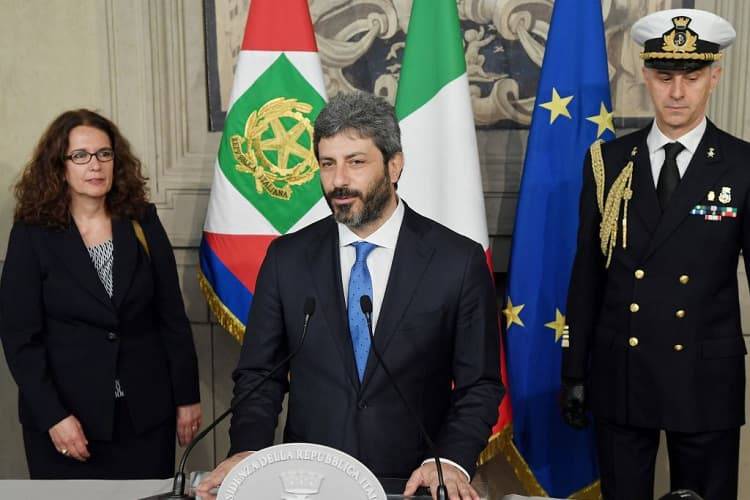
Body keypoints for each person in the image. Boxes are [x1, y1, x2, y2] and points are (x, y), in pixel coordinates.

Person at [197, 92, 502, 500]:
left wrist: (449, 461)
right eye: (327, 163)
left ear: (394, 165)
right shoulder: (287, 258)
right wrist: (247, 450)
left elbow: (479, 384)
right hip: (307, 484)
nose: (338, 180)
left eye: (355, 162)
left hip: (414, 483)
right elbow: (259, 376)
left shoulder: (457, 261)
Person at [560, 9, 745, 500]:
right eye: (664, 77)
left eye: (692, 77)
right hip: (623, 371)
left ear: (715, 77)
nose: (677, 92)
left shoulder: (742, 165)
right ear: (645, 76)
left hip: (706, 377)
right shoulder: (607, 162)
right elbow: (588, 274)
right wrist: (574, 370)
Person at [0, 109, 202, 479]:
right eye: (80, 155)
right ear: (59, 166)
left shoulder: (142, 220)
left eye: (104, 154)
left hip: (145, 418)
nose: (95, 165)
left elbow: (171, 316)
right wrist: (54, 416)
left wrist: (187, 396)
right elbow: (19, 337)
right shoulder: (32, 234)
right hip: (67, 423)